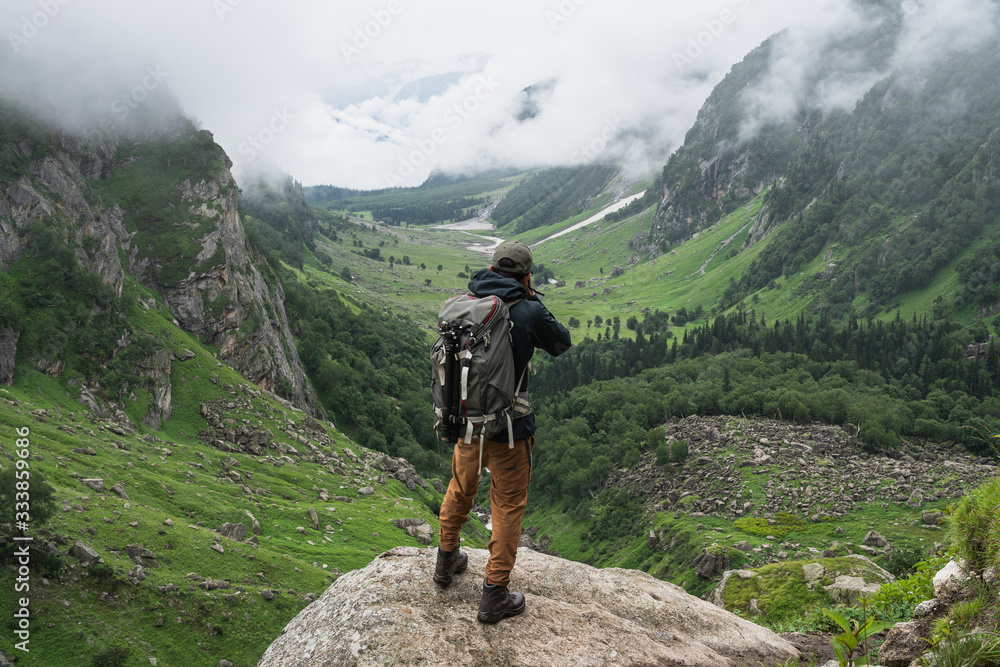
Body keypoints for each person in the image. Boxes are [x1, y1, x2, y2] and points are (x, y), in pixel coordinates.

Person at [434, 239, 572, 624]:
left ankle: (446, 562)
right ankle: (494, 594)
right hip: (511, 431)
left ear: (492, 270)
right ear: (527, 276)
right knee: (507, 506)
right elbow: (561, 342)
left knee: (460, 489)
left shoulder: (466, 304)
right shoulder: (528, 309)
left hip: (466, 424)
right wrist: (531, 305)